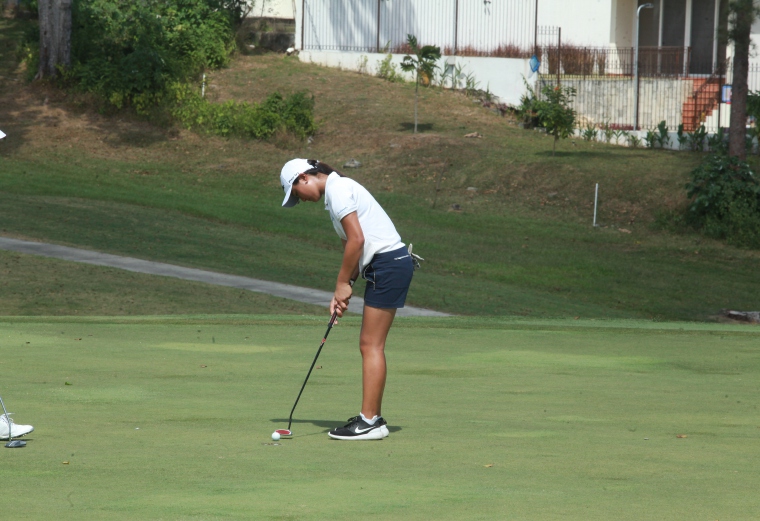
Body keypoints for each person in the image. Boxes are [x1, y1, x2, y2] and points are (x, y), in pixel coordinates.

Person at [280, 158, 414, 440]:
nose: (299, 200)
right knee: (370, 345)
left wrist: (342, 283)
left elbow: (357, 241)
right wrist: (345, 286)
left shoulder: (339, 190)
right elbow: (349, 247)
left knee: (371, 345)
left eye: (295, 193)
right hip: (388, 264)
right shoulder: (335, 194)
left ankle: (370, 423)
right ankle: (371, 418)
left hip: (387, 264)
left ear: (304, 177)